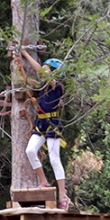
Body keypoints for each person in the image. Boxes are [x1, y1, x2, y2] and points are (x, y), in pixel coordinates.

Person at [19, 47, 71, 210]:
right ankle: (44, 182)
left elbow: (44, 73)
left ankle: (63, 196)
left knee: (55, 158)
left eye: (47, 70)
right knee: (30, 151)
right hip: (41, 123)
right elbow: (36, 78)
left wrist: (26, 54)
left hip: (52, 124)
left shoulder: (57, 86)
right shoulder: (43, 87)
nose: (43, 72)